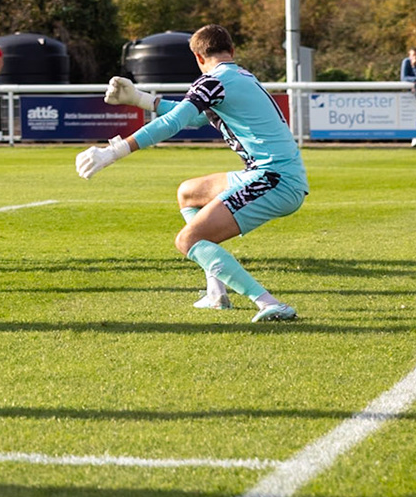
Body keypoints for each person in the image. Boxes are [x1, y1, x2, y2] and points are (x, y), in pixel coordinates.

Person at [79, 24, 300, 322]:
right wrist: (141, 99)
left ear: (197, 56)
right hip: (275, 174)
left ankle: (268, 303)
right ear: (231, 51)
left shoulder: (212, 81)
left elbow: (174, 123)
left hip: (273, 180)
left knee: (188, 241)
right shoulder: (237, 76)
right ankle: (216, 293)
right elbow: (195, 117)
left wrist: (113, 152)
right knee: (189, 193)